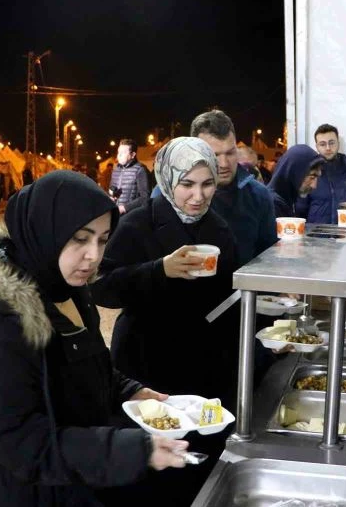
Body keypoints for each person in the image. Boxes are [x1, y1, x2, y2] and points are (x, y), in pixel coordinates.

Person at [0, 170, 188, 506]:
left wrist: (131, 390)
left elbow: (87, 364)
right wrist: (133, 449)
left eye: (102, 239)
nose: (93, 256)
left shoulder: (65, 283)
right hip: (19, 490)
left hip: (73, 476)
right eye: (80, 239)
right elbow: (17, 438)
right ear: (46, 231)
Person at [92, 137, 238, 505]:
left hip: (204, 364)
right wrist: (160, 270)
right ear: (168, 179)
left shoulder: (220, 228)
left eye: (207, 184)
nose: (198, 195)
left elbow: (230, 294)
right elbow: (102, 287)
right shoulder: (139, 222)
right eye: (187, 184)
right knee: (151, 468)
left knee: (198, 465)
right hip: (146, 361)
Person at [189, 109, 277, 265]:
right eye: (214, 155)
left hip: (245, 288)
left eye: (230, 153)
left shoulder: (259, 195)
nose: (224, 164)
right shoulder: (174, 196)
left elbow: (269, 256)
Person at [296, 123, 346, 224]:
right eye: (322, 144)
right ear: (317, 147)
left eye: (331, 143)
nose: (328, 148)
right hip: (315, 235)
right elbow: (300, 208)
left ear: (338, 143)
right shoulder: (309, 172)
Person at [267, 144, 324, 217]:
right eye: (312, 177)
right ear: (294, 171)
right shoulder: (272, 205)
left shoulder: (285, 200)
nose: (314, 185)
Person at [110, 138, 150, 213]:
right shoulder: (116, 170)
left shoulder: (140, 170)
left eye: (123, 152)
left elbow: (145, 198)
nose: (119, 155)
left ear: (132, 155)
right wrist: (111, 197)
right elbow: (112, 191)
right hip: (115, 213)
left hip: (131, 216)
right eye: (118, 152)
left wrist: (124, 208)